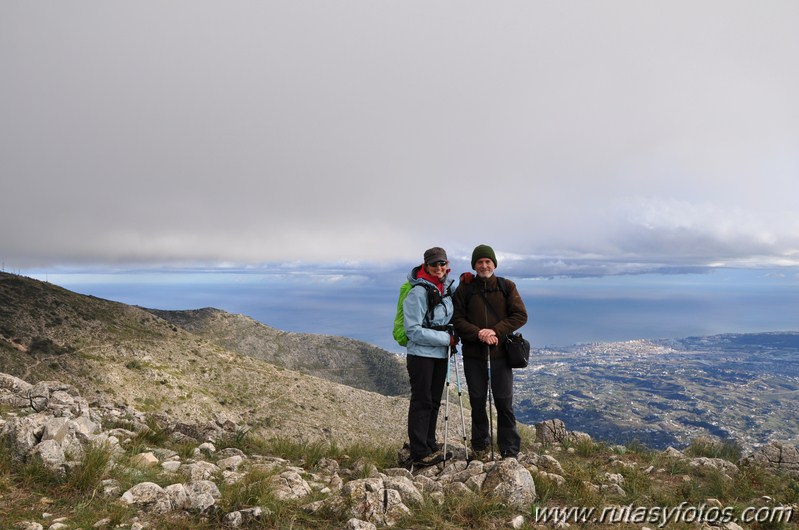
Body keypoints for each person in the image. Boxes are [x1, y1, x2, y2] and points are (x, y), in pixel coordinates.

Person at [452, 244, 527, 459]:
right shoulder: (465, 289)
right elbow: (457, 319)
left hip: (501, 356)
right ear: (474, 265)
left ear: (494, 264)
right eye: (479, 262)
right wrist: (479, 334)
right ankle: (480, 446)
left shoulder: (506, 286)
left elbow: (520, 315)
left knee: (504, 403)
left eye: (487, 261)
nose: (484, 265)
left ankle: (509, 449)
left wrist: (494, 331)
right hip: (474, 356)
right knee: (477, 402)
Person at [403, 246, 458, 466]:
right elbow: (412, 331)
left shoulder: (445, 289)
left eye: (442, 263)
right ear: (426, 265)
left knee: (434, 401)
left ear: (447, 266)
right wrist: (447, 339)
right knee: (422, 401)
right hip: (421, 355)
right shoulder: (418, 292)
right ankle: (419, 452)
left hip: (439, 355)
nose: (438, 267)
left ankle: (429, 444)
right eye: (434, 264)